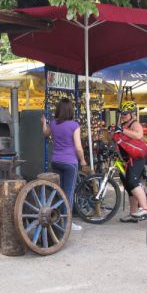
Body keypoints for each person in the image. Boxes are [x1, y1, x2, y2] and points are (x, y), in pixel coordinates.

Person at [41, 98, 88, 231]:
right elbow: (78, 147)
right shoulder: (74, 125)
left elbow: (45, 133)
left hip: (56, 161)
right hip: (70, 163)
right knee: (68, 193)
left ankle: (56, 219)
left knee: (58, 192)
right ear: (70, 110)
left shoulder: (53, 124)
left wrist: (44, 123)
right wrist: (83, 160)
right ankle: (68, 222)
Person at [114, 100, 147, 222]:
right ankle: (133, 213)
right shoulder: (124, 124)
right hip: (127, 159)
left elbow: (139, 135)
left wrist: (122, 130)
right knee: (129, 187)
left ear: (132, 114)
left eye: (126, 113)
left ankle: (145, 209)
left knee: (133, 183)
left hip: (137, 159)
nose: (124, 115)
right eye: (122, 114)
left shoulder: (135, 124)